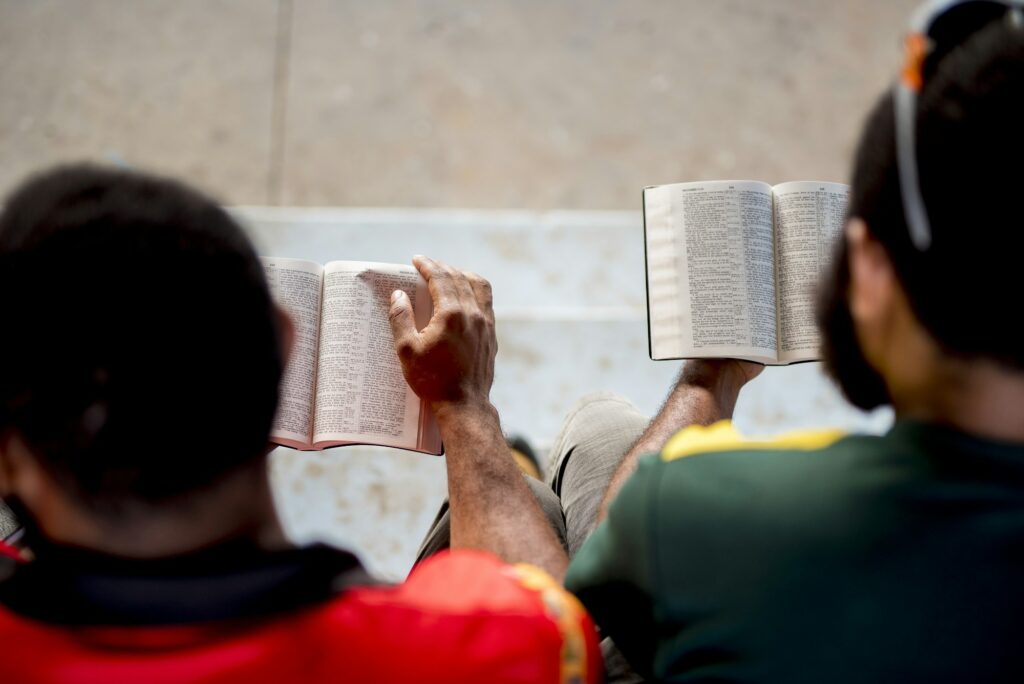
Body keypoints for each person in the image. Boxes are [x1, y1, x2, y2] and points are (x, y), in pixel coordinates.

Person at [553, 5, 1024, 682]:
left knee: (576, 450)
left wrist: (705, 381)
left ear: (867, 271)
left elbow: (588, 602)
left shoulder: (704, 507)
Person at [0, 165, 601, 683]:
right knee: (530, 502)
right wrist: (465, 408)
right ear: (286, 348)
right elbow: (548, 621)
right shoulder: (463, 651)